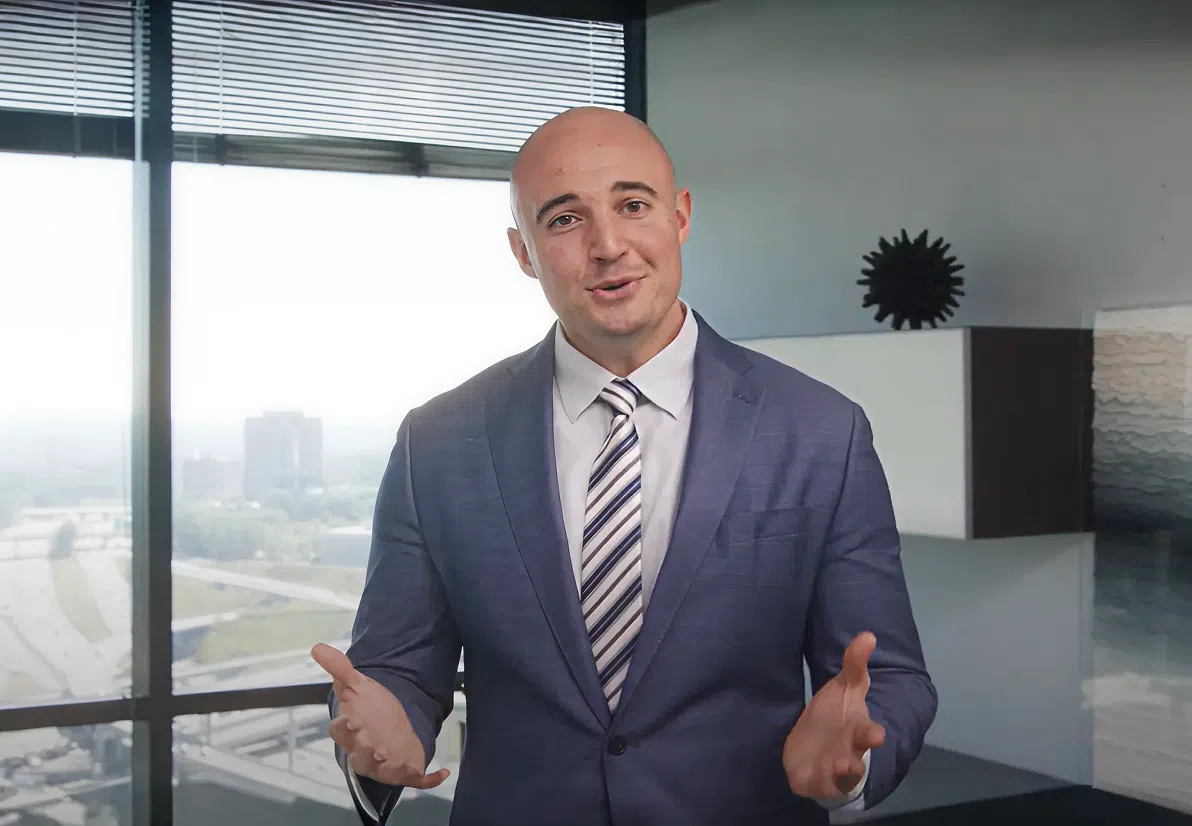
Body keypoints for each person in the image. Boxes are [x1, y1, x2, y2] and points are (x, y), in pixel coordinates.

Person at [311, 106, 938, 825]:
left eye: (632, 206)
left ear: (680, 217)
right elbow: (395, 669)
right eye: (565, 219)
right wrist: (379, 735)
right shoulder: (438, 442)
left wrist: (852, 764)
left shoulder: (821, 431)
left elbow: (887, 676)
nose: (608, 246)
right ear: (523, 252)